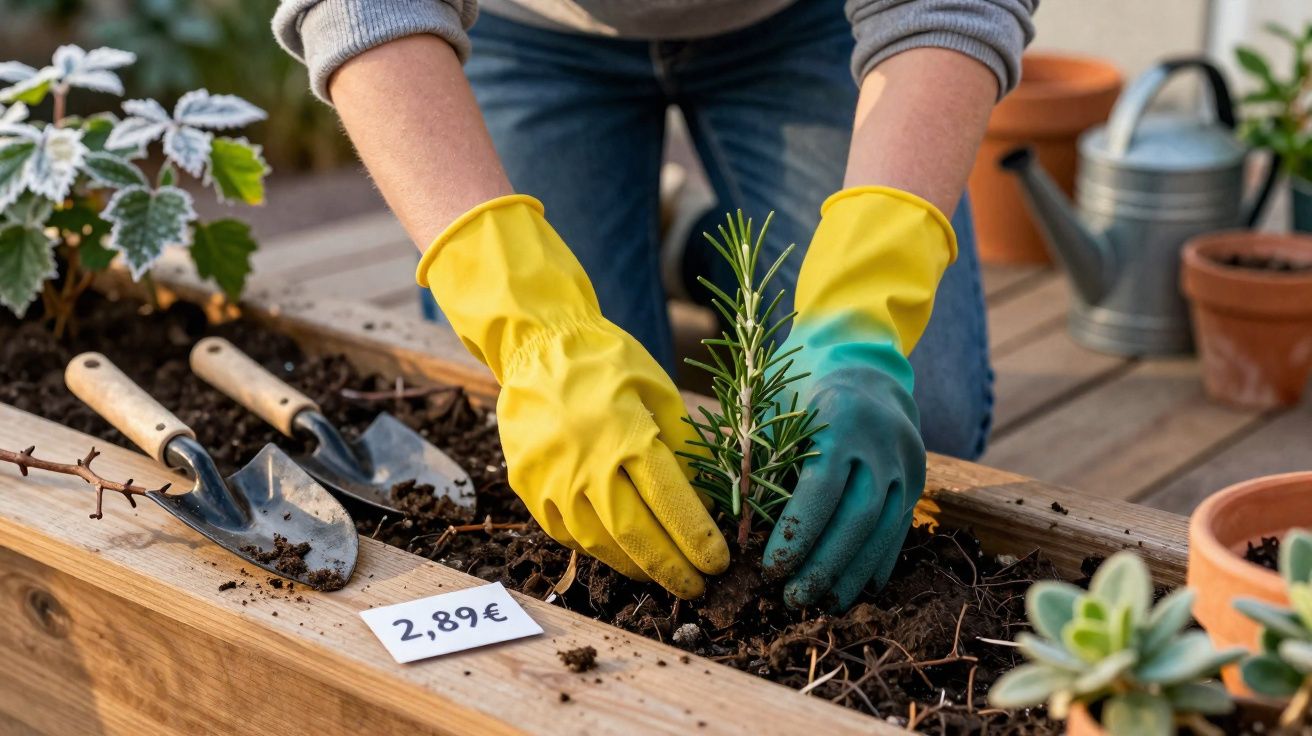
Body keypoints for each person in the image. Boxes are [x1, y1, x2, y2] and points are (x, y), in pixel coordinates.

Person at [273, 0, 1036, 610]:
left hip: (806, 23)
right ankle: (686, 241)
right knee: (596, 463)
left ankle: (694, 245)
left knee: (924, 420)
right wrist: (535, 330)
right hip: (524, 33)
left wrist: (860, 315)